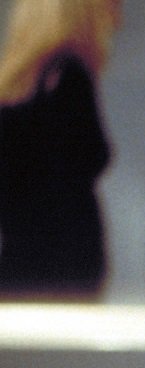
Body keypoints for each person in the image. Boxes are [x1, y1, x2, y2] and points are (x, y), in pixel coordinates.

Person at [0, 0, 121, 299]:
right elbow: (91, 154)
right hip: (65, 266)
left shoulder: (13, 90)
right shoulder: (67, 74)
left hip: (20, 261)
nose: (115, 17)